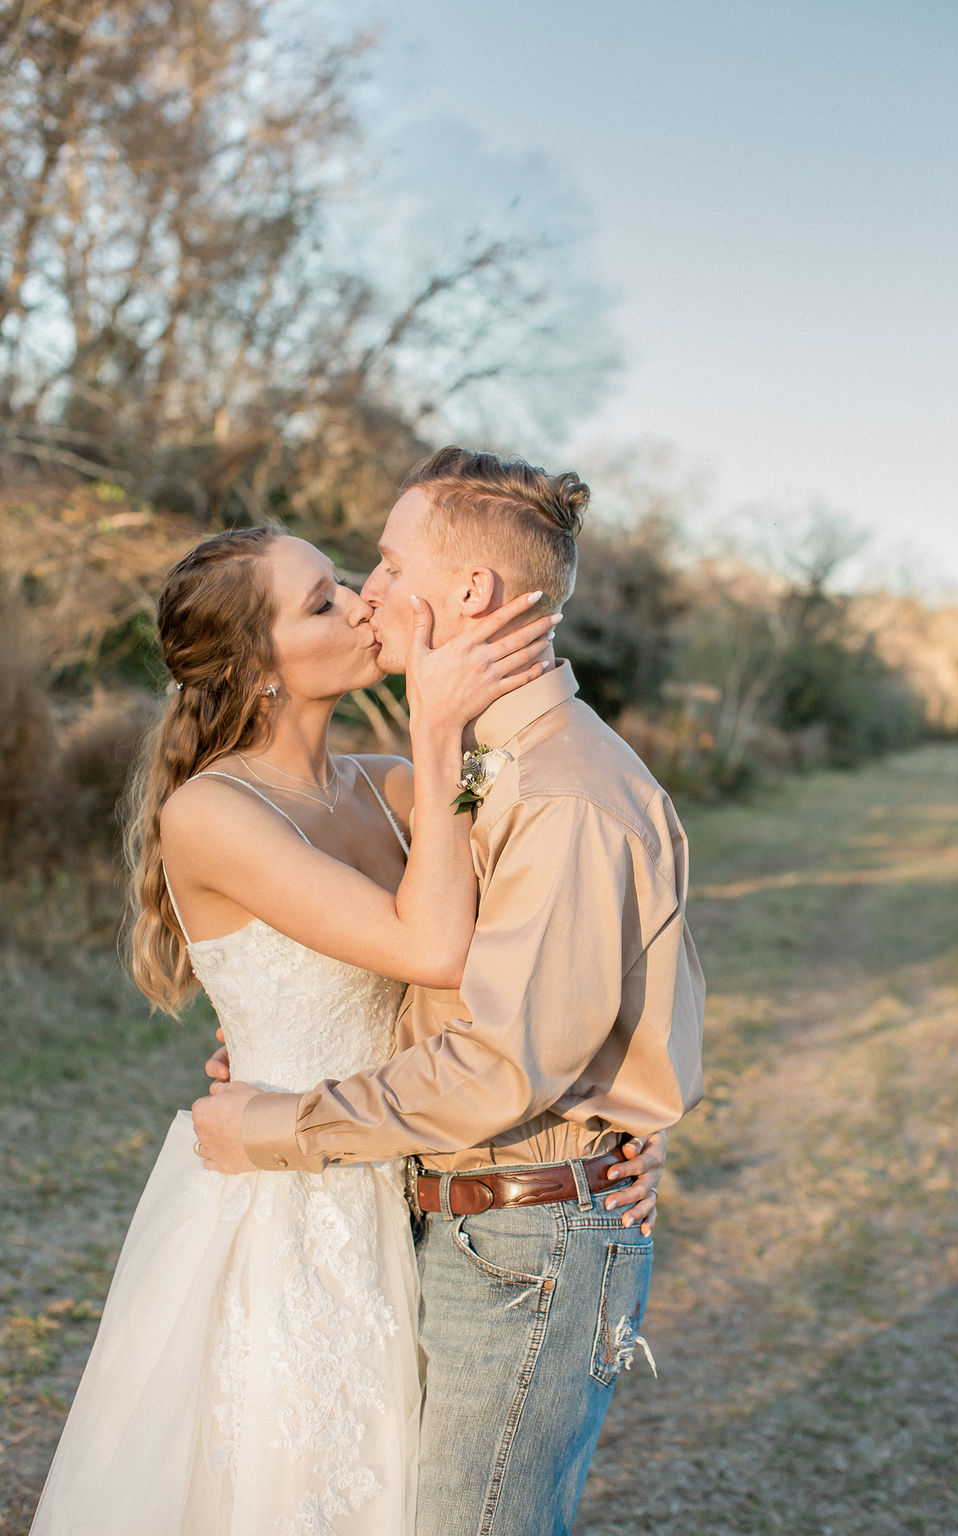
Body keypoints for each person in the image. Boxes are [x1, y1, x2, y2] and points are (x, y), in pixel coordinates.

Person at [30, 524, 604, 1536]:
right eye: (321, 603)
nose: (359, 603)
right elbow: (426, 949)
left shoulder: (383, 787)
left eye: (344, 583)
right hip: (289, 1207)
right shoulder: (212, 812)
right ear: (260, 672)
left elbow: (541, 952)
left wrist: (612, 1134)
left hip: (420, 1174)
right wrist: (437, 740)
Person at [194, 447, 706, 1536]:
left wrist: (284, 1117)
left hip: (523, 1237)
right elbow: (454, 987)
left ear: (470, 592)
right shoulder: (481, 769)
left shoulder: (564, 792)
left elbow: (505, 1065)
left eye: (380, 563)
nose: (369, 593)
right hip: (443, 1218)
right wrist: (286, 1046)